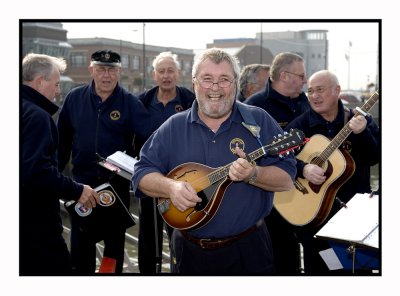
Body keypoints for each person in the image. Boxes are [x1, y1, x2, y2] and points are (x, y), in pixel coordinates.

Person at [132, 48, 297, 274]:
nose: (215, 88)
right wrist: (172, 187)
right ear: (194, 83)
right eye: (207, 79)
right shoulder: (174, 126)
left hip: (249, 251)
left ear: (236, 83)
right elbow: (141, 173)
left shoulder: (258, 121)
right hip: (188, 253)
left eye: (224, 80)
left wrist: (253, 174)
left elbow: (287, 179)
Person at [57, 49, 152, 274]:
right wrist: (55, 178)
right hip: (81, 184)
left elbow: (147, 140)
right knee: (81, 246)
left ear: (119, 72)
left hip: (116, 186)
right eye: (101, 69)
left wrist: (138, 169)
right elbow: (62, 142)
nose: (106, 75)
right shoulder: (74, 98)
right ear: (92, 70)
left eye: (111, 69)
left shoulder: (130, 102)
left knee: (113, 249)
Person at [284, 70, 380, 274]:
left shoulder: (360, 119)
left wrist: (363, 134)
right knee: (318, 272)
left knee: (356, 271)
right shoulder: (300, 126)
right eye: (310, 91)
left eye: (320, 90)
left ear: (337, 91)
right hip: (313, 215)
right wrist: (303, 168)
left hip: (354, 216)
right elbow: (279, 159)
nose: (314, 96)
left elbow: (375, 158)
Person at [21, 53, 99, 275]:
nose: (57, 91)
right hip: (36, 225)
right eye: (55, 85)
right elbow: (35, 172)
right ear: (39, 82)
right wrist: (77, 189)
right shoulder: (37, 116)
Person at [244, 52, 310, 274]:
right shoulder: (254, 106)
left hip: (306, 197)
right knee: (271, 261)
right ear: (284, 75)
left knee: (294, 262)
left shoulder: (305, 103)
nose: (305, 80)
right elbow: (244, 152)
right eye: (301, 75)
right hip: (269, 203)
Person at [134, 51, 195, 274]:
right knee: (148, 238)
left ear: (178, 74)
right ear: (154, 75)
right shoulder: (141, 103)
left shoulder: (191, 101)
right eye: (161, 71)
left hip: (182, 181)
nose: (166, 75)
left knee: (180, 235)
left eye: (170, 71)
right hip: (150, 183)